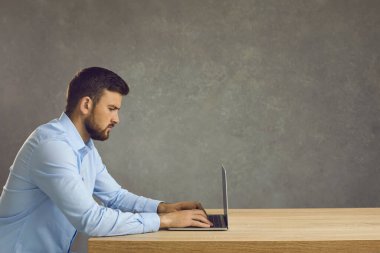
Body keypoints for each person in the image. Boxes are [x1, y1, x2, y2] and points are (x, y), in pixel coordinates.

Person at [0, 67, 212, 252]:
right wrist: (164, 221)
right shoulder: (52, 146)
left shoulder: (83, 146)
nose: (116, 119)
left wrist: (163, 208)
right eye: (111, 109)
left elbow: (116, 197)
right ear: (86, 105)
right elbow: (89, 220)